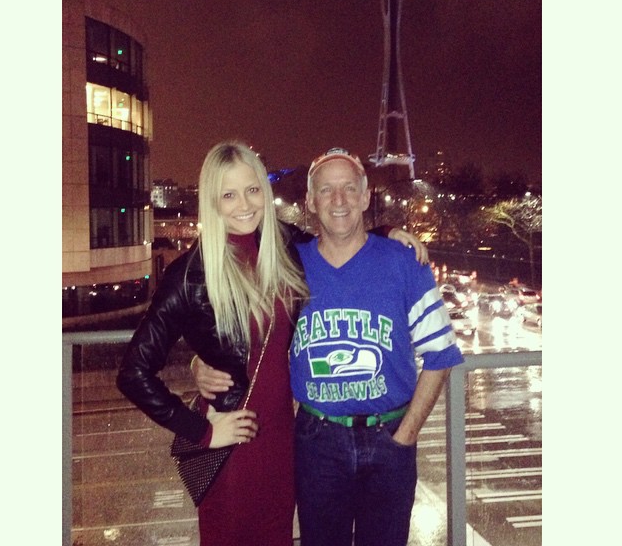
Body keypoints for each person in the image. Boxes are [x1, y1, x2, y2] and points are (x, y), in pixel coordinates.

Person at [116, 141, 427, 546]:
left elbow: (334, 236)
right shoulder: (191, 274)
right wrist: (203, 431)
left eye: (252, 190)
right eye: (229, 194)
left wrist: (386, 234)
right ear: (212, 201)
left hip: (283, 437)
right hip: (235, 439)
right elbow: (133, 373)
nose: (244, 205)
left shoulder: (279, 242)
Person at [195, 147, 464, 546]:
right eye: (326, 190)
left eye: (349, 188)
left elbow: (441, 354)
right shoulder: (286, 265)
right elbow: (244, 333)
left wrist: (405, 436)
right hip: (317, 442)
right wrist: (199, 362)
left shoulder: (404, 262)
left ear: (366, 197)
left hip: (390, 437)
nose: (339, 200)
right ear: (310, 201)